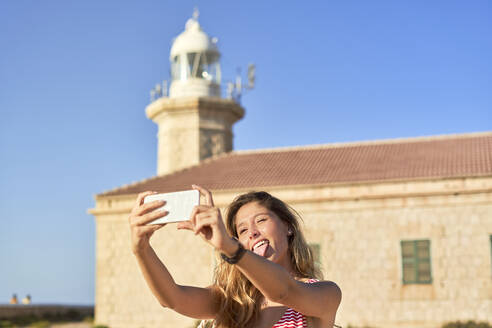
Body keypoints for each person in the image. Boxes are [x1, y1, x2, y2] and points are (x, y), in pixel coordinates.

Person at [129, 185, 341, 328]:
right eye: (242, 230)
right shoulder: (231, 301)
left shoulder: (325, 293)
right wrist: (141, 249)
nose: (252, 232)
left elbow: (283, 292)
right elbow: (172, 299)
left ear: (287, 226)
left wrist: (229, 248)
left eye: (261, 220)